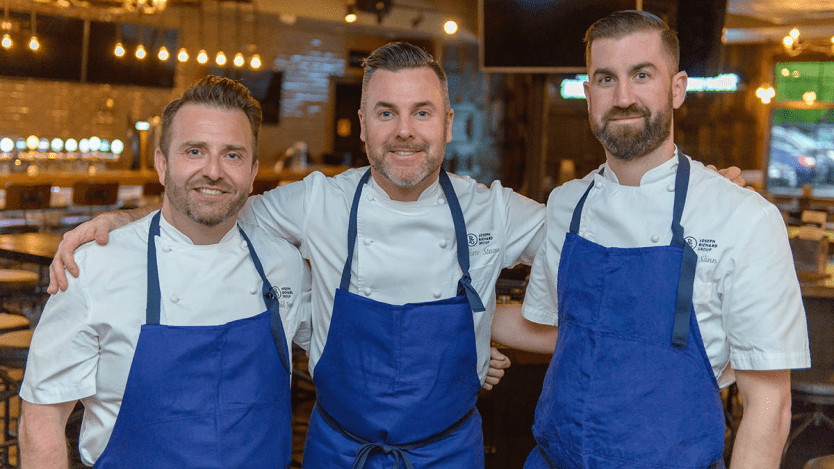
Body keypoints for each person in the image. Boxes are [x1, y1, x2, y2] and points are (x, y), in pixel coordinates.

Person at [48, 43, 746, 468]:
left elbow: (608, 234)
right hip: (334, 448)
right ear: (363, 124)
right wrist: (120, 220)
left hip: (449, 449)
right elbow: (207, 202)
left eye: (421, 113)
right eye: (386, 113)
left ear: (448, 122)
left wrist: (704, 195)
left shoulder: (493, 209)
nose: (404, 132)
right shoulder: (315, 202)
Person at [495, 10, 810, 469]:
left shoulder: (744, 218)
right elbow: (561, 329)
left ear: (676, 89)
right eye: (606, 79)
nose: (623, 97)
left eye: (642, 75)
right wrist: (463, 317)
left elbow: (769, 408)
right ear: (588, 96)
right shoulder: (567, 205)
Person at [18, 76, 311, 468]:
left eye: (233, 155)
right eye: (194, 151)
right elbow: (42, 419)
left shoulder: (284, 264)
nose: (213, 171)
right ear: (162, 163)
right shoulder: (92, 267)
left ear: (253, 171)